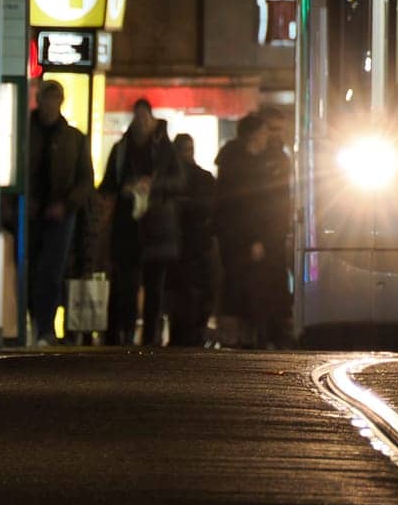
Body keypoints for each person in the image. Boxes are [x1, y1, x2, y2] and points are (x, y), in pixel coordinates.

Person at [99, 99, 184, 345]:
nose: (141, 123)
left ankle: (150, 338)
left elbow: (179, 181)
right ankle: (126, 334)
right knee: (127, 285)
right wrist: (124, 188)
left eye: (145, 118)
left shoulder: (165, 149)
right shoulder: (121, 149)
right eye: (137, 118)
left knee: (154, 287)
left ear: (152, 121)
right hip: (128, 227)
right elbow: (107, 184)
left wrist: (152, 185)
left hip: (157, 227)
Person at [25, 80, 93, 346]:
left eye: (55, 99)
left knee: (50, 271)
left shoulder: (73, 138)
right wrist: (23, 201)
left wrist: (65, 205)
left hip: (60, 215)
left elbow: (85, 180)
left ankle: (44, 327)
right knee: (30, 269)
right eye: (47, 98)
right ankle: (33, 323)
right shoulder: (26, 133)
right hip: (30, 213)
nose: (50, 104)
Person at [215, 111, 291, 348]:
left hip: (259, 238)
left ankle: (255, 336)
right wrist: (254, 239)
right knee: (246, 289)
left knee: (255, 289)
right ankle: (246, 338)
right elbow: (241, 207)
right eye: (263, 132)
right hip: (244, 240)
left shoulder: (262, 160)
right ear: (252, 136)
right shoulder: (239, 165)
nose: (267, 137)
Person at [169, 133, 217, 346]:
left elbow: (209, 206)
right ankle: (189, 333)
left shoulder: (199, 177)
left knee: (191, 291)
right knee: (186, 292)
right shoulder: (200, 178)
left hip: (192, 241)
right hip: (188, 241)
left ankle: (190, 333)